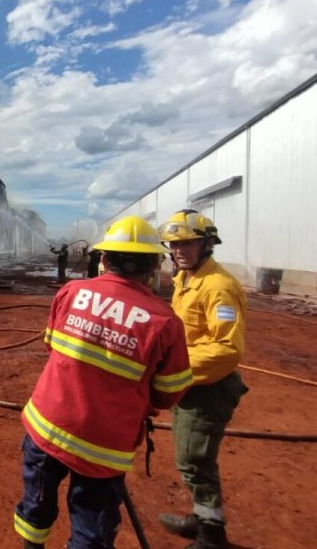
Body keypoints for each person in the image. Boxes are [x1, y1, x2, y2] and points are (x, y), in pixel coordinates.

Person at [14, 216, 193, 549]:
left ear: (105, 259)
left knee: (35, 506)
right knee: (91, 530)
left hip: (46, 426)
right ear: (153, 264)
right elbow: (169, 393)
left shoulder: (71, 292)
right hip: (104, 446)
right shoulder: (165, 322)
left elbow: (52, 344)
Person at [157, 210, 248, 549]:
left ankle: (212, 533)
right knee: (188, 455)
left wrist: (172, 367)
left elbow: (226, 349)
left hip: (207, 386)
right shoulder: (186, 279)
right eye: (175, 244)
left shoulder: (219, 287)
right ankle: (200, 516)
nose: (180, 250)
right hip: (189, 382)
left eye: (189, 243)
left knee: (196, 459)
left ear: (208, 243)